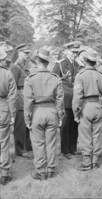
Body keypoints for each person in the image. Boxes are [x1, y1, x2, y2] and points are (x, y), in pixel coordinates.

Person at [24, 48, 64, 180]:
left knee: (38, 143)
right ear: (47, 62)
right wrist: (60, 116)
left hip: (37, 112)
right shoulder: (56, 78)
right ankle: (51, 169)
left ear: (37, 60)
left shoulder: (30, 79)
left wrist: (27, 118)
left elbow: (28, 101)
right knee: (51, 142)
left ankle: (41, 171)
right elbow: (60, 99)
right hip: (52, 112)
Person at [72, 48, 102, 171]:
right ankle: (95, 161)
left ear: (84, 60)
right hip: (98, 106)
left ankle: (86, 162)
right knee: (96, 135)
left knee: (85, 136)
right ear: (95, 62)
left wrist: (76, 113)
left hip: (85, 107)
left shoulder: (80, 76)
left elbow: (77, 97)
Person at [52, 41, 81, 159]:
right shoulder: (60, 64)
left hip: (75, 99)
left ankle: (73, 148)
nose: (75, 54)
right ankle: (65, 150)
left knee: (74, 125)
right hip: (64, 99)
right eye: (73, 52)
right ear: (67, 51)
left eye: (77, 52)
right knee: (65, 126)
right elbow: (53, 80)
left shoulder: (77, 65)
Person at [11, 43, 32, 158]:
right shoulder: (15, 67)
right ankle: (19, 149)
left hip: (27, 97)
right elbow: (12, 85)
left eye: (28, 53)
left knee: (27, 123)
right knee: (20, 125)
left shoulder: (25, 65)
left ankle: (28, 146)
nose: (27, 55)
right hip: (19, 98)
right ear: (19, 53)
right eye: (25, 53)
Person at [0, 50, 17, 185]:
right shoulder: (7, 73)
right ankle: (5, 173)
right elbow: (12, 96)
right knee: (4, 141)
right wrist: (13, 115)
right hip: (3, 108)